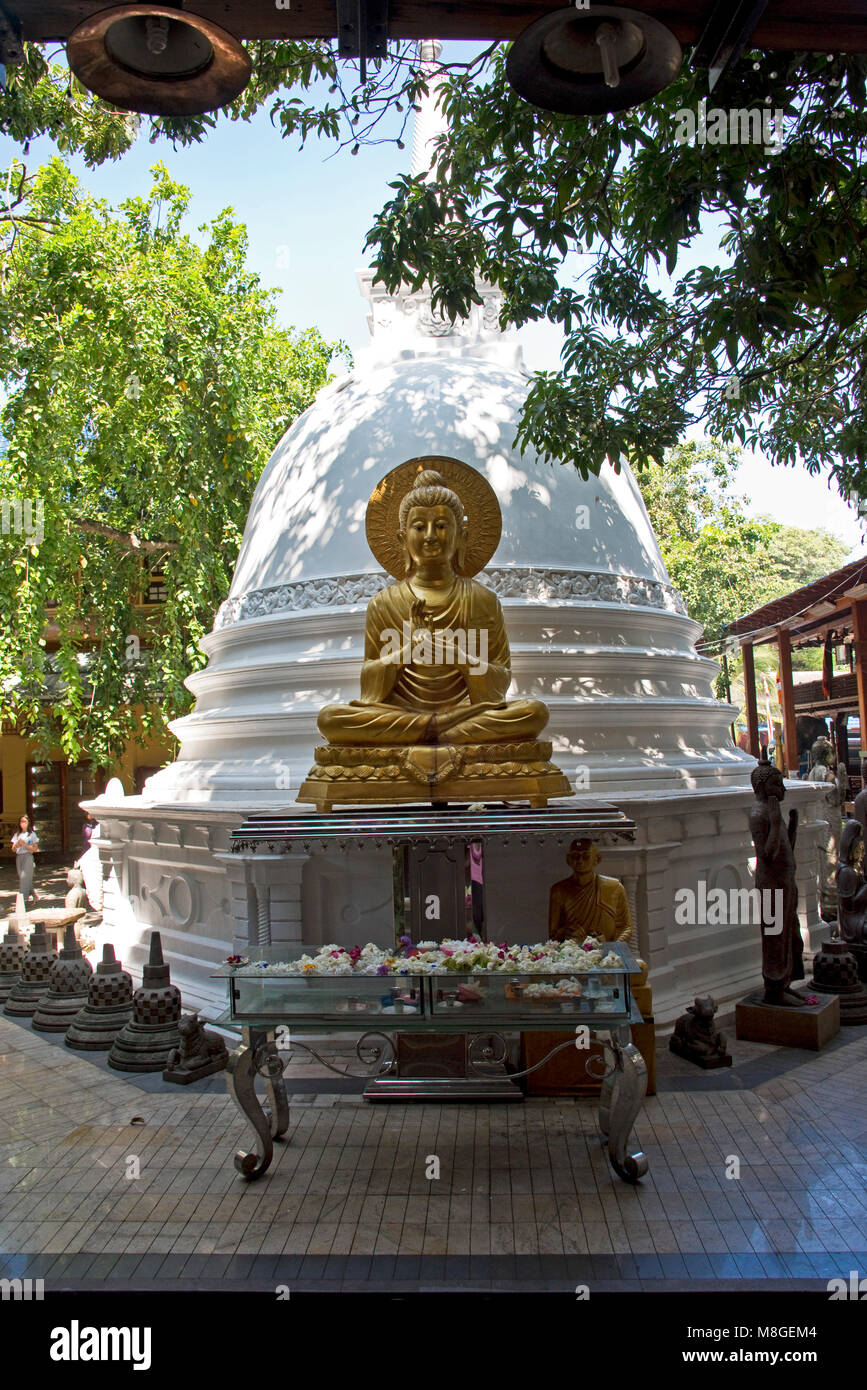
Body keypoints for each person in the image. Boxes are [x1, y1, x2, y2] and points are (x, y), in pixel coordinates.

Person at [10, 814, 39, 908]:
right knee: (24, 879)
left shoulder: (32, 835)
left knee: (24, 878)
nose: (23, 824)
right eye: (21, 822)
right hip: (19, 857)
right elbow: (13, 849)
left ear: (28, 823)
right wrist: (17, 845)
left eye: (25, 822)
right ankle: (34, 895)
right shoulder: (17, 834)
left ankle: (22, 900)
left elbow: (35, 849)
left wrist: (25, 844)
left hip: (28, 857)